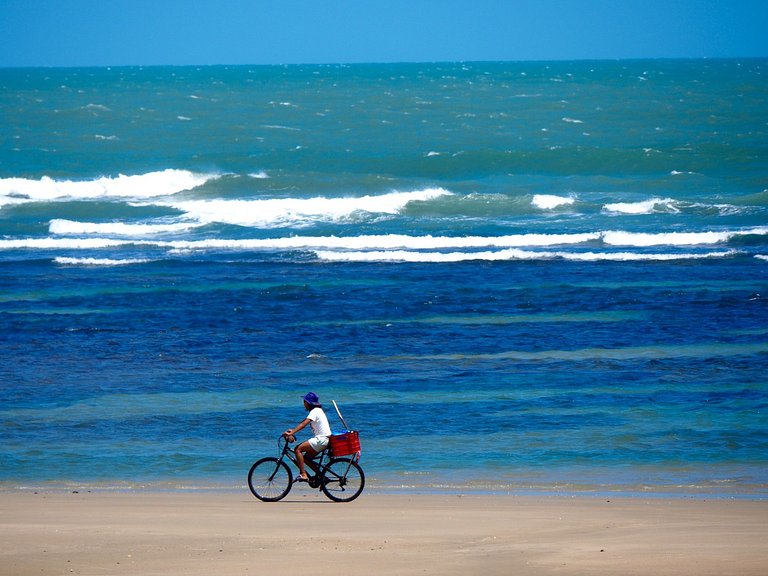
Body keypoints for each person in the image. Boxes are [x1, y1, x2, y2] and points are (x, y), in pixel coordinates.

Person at [283, 392, 332, 482]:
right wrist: (293, 430)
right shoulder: (318, 411)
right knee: (306, 458)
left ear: (308, 403)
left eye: (304, 402)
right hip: (326, 440)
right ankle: (322, 477)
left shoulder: (315, 411)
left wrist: (291, 433)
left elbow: (303, 424)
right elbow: (304, 421)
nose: (304, 404)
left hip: (321, 439)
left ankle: (303, 474)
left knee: (297, 449)